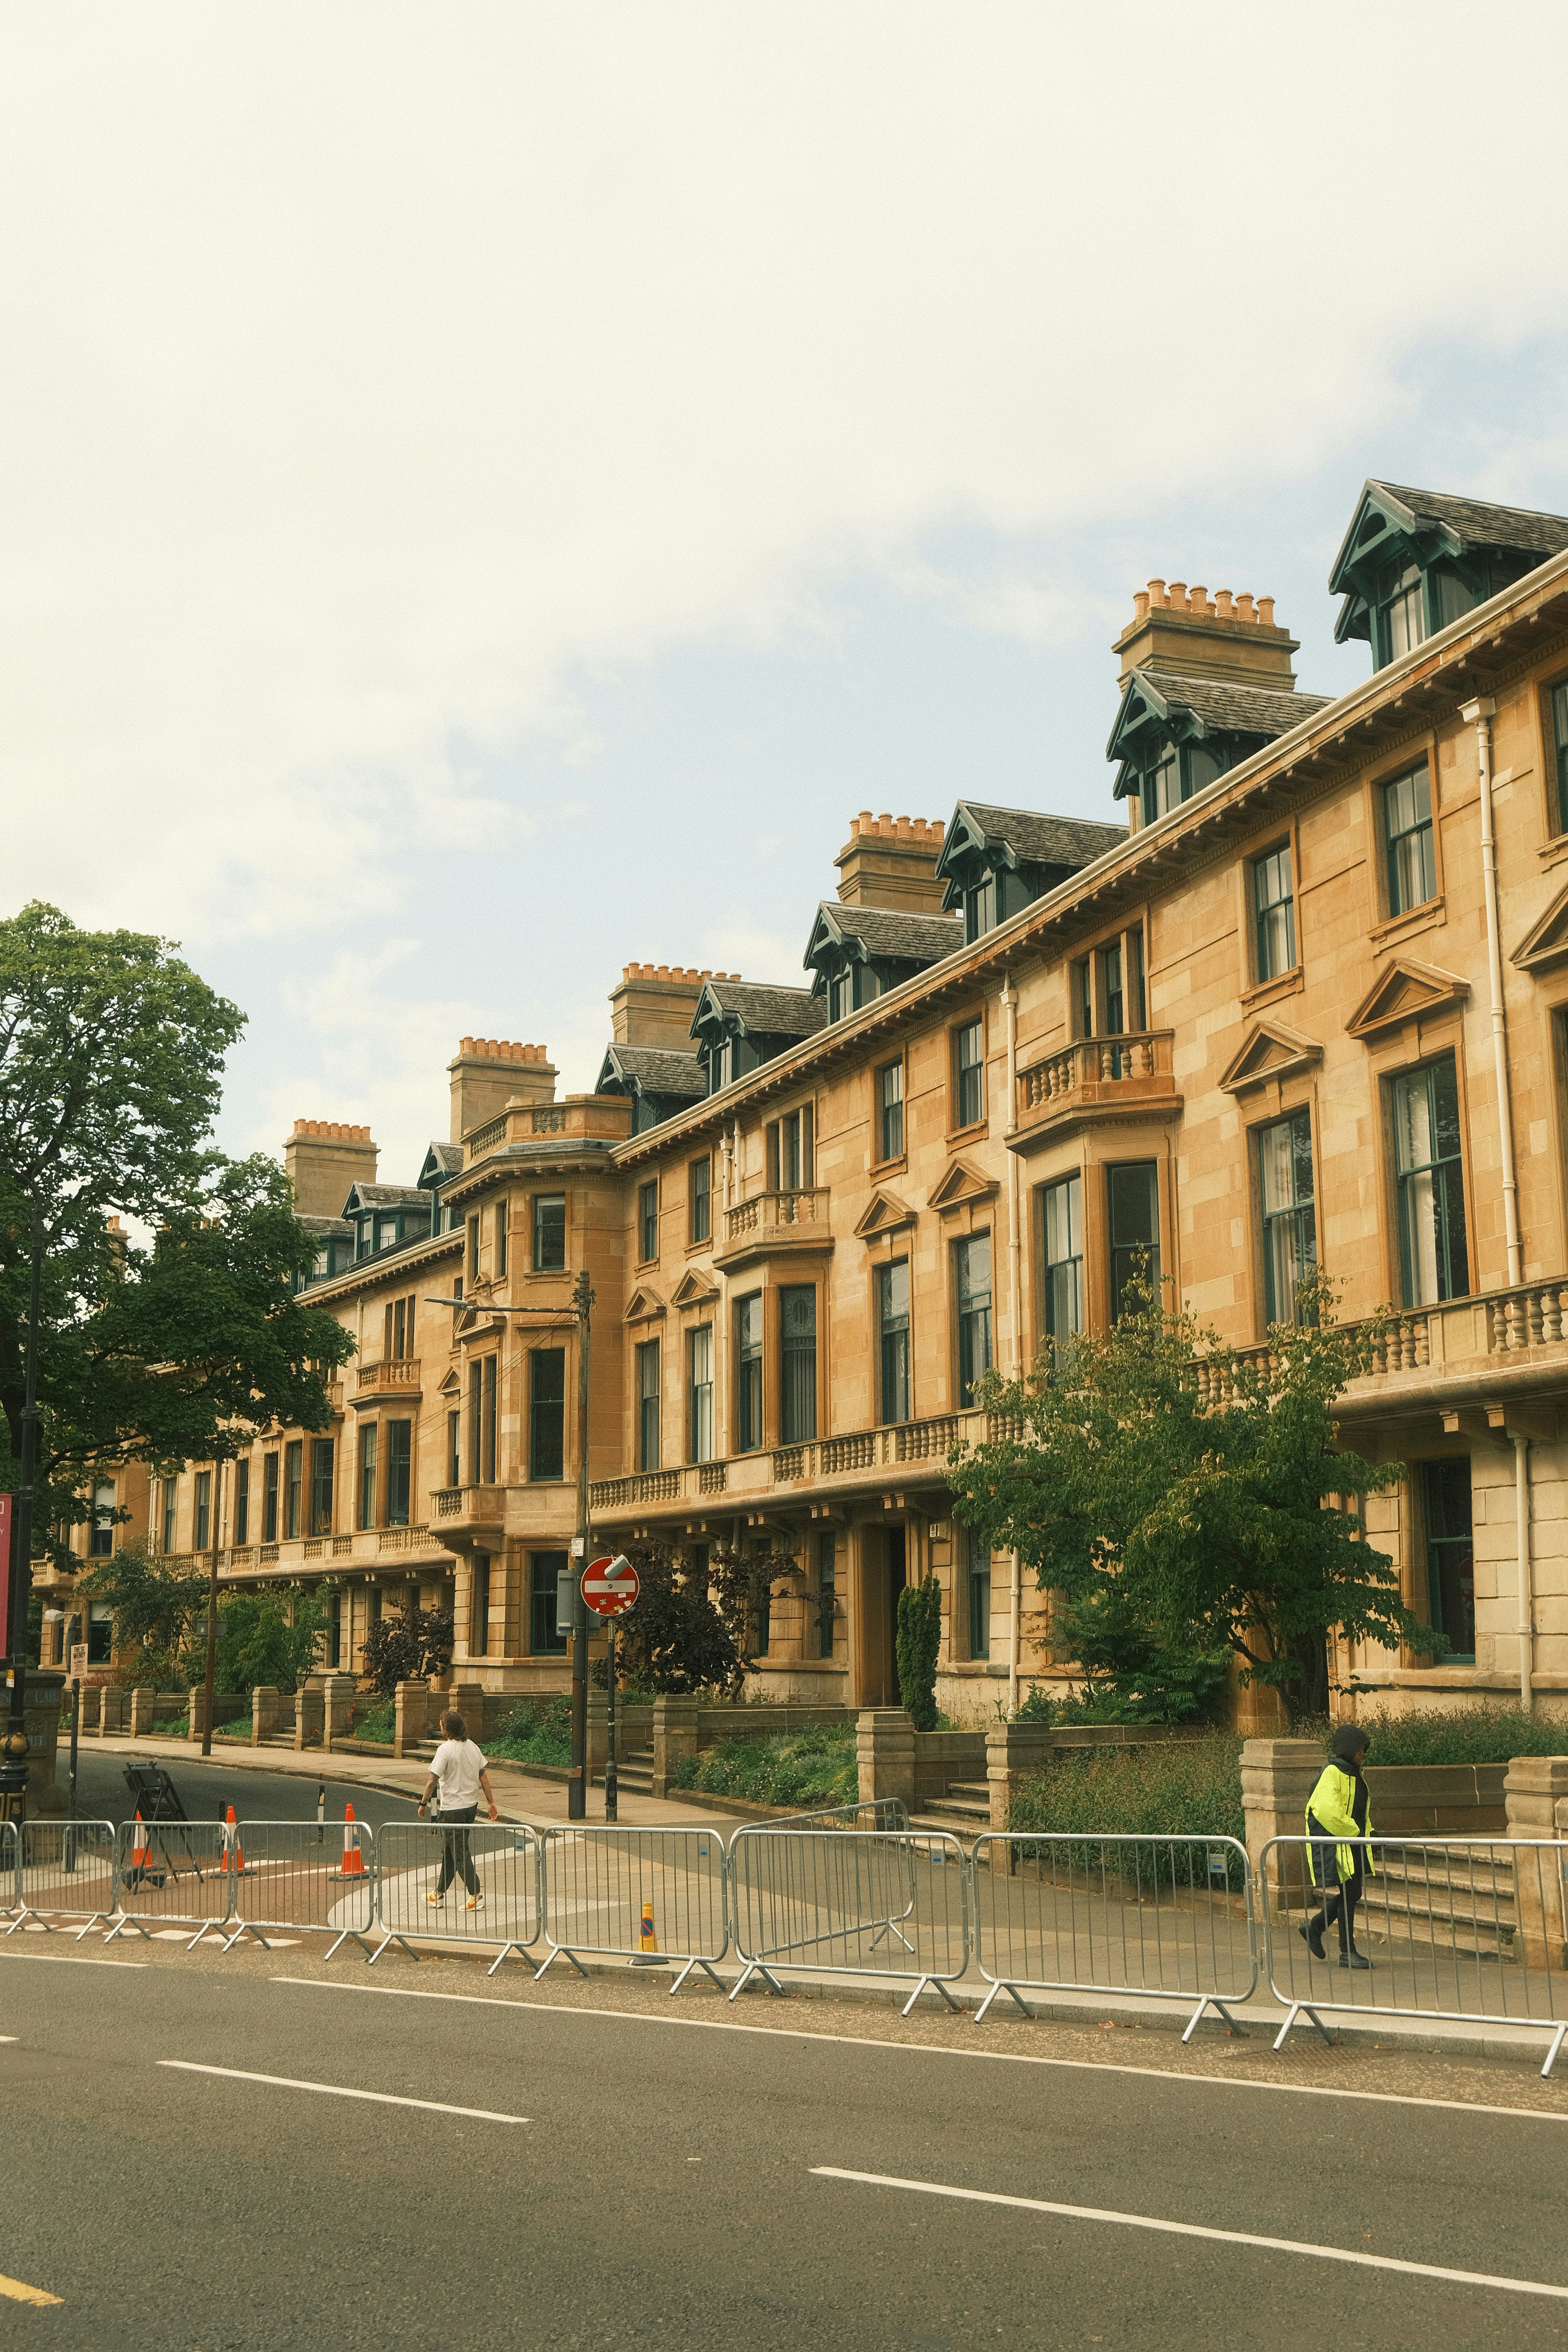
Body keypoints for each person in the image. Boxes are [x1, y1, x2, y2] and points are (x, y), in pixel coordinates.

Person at [1300, 1723, 1377, 1970]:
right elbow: (1326, 1810)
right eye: (1359, 1749)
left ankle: (1315, 1927)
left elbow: (1358, 1811)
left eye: (1365, 1749)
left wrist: (1370, 1833)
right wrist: (1356, 1833)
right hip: (1341, 1843)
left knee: (1352, 1893)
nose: (1363, 1753)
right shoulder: (1333, 1772)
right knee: (1351, 1893)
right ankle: (1347, 1952)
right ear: (1348, 1749)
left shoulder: (1355, 1774)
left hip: (1352, 1842)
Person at [417, 1710, 499, 1909]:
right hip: (470, 1807)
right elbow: (484, 1777)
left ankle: (476, 1894)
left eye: (441, 1725)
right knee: (451, 1850)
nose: (440, 1727)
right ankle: (439, 1894)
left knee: (460, 1852)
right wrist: (490, 1802)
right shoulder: (473, 1748)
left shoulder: (445, 1750)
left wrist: (423, 1803)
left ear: (447, 1728)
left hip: (452, 1808)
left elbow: (432, 1780)